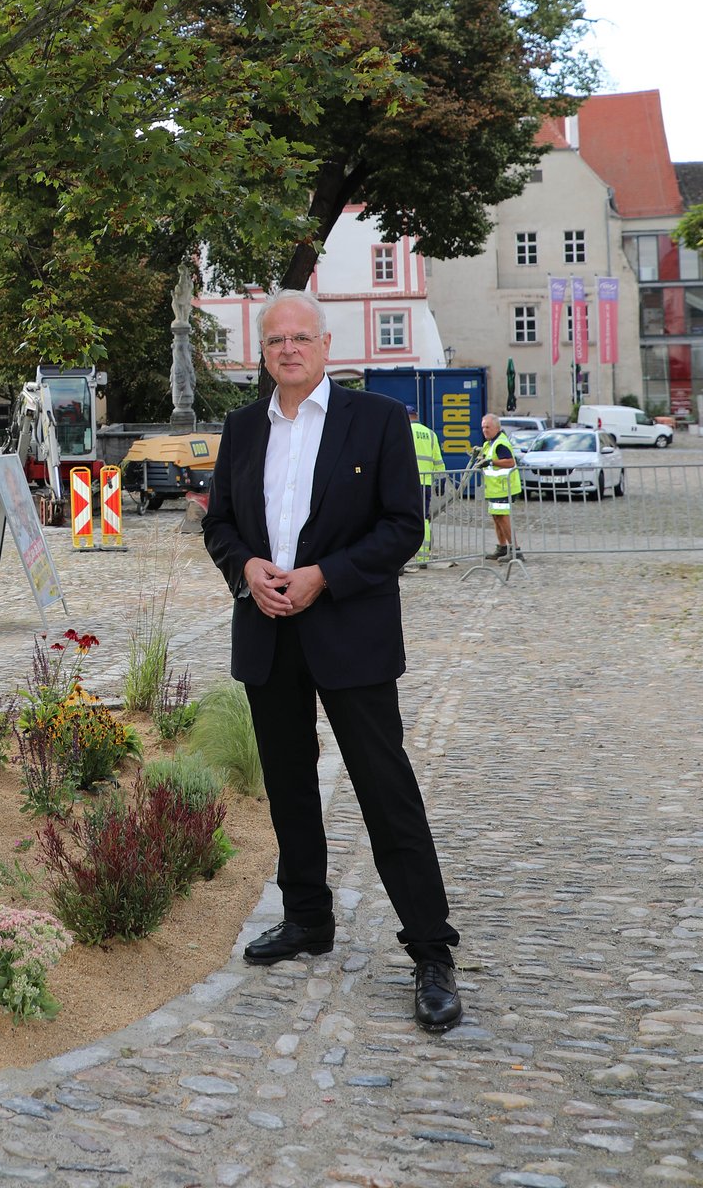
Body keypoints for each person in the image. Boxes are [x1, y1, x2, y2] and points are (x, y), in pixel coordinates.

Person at [202, 289, 462, 1033]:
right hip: (268, 630)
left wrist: (327, 576)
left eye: (302, 337)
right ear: (263, 352)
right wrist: (246, 567)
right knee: (288, 787)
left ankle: (432, 952)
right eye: (276, 339)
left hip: (350, 631)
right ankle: (308, 919)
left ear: (326, 347)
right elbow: (219, 522)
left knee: (387, 791)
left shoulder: (376, 421)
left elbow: (403, 528)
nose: (289, 349)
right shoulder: (244, 427)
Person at [475, 413, 522, 561]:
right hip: (495, 488)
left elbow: (510, 462)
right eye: (483, 427)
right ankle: (502, 548)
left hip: (504, 488)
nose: (485, 430)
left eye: (487, 427)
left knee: (503, 518)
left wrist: (490, 462)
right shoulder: (489, 443)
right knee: (496, 517)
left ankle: (515, 550)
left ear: (496, 427)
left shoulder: (500, 443)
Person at [406, 407, 444, 569]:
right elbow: (438, 461)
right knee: (424, 518)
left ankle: (405, 556)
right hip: (425, 483)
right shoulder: (430, 434)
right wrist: (441, 481)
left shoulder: (404, 431)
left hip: (407, 482)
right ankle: (423, 558)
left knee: (404, 518)